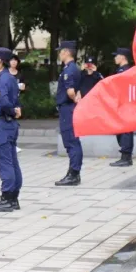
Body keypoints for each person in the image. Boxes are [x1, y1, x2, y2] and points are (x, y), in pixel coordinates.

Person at [0, 47, 22, 212]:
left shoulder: (1, 79)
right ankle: (13, 197)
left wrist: (12, 111)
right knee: (12, 161)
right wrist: (16, 110)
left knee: (4, 162)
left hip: (2, 123)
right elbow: (16, 99)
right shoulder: (10, 77)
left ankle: (7, 197)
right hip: (10, 125)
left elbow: (5, 102)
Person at [54, 40, 83, 186]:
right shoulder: (73, 68)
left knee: (71, 141)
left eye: (60, 51)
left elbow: (71, 91)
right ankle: (73, 172)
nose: (59, 54)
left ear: (66, 52)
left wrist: (74, 99)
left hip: (67, 108)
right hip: (68, 108)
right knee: (72, 141)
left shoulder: (69, 70)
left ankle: (74, 174)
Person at [108, 47, 135, 168]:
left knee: (126, 131)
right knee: (121, 131)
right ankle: (125, 156)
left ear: (122, 57)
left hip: (126, 104)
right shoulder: (121, 70)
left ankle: (126, 157)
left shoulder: (127, 71)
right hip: (121, 104)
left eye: (116, 55)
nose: (115, 58)